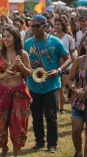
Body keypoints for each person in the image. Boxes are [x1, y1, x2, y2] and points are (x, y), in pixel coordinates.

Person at [24, 15, 71, 153]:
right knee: (37, 116)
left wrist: (58, 70)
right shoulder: (27, 43)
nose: (33, 28)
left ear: (45, 27)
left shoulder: (55, 41)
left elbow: (68, 58)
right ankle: (39, 142)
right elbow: (24, 61)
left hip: (52, 84)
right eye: (31, 26)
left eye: (37, 26)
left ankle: (52, 144)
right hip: (33, 84)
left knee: (51, 115)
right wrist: (30, 64)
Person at [0, 26, 32, 156]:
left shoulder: (23, 54)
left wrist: (22, 66)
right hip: (1, 92)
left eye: (9, 36)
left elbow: (29, 74)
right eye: (4, 36)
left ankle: (16, 153)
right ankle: (4, 147)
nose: (5, 39)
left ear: (16, 37)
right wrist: (0, 76)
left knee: (18, 124)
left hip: (19, 92)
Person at [68, 33, 87, 157]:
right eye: (86, 42)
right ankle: (78, 153)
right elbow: (69, 80)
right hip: (79, 101)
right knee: (76, 130)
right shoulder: (79, 60)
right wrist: (75, 88)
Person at [54, 17, 76, 113]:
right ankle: (57, 107)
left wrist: (73, 65)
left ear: (62, 26)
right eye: (55, 24)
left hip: (66, 66)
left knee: (62, 87)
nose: (56, 26)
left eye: (58, 24)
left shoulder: (68, 38)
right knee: (57, 88)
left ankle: (62, 108)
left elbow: (72, 54)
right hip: (54, 66)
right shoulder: (52, 37)